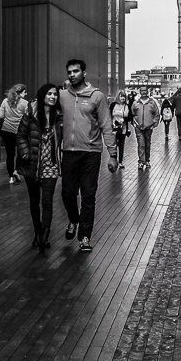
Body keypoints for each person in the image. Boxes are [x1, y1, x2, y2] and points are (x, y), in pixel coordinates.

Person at [59, 59, 118, 252]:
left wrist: (113, 154)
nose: (72, 74)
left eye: (76, 71)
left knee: (88, 196)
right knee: (67, 193)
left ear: (84, 73)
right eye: (69, 72)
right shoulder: (62, 96)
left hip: (91, 153)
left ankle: (84, 237)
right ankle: (73, 220)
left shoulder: (97, 96)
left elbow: (106, 125)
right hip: (69, 152)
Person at [17, 83, 63, 251]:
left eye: (55, 94)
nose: (53, 97)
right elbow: (21, 135)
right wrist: (25, 154)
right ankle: (37, 232)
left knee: (47, 201)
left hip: (50, 164)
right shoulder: (31, 112)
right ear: (43, 95)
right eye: (49, 94)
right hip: (32, 164)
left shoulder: (59, 115)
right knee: (34, 201)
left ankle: (45, 234)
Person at [0, 83, 28, 183]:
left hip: (6, 131)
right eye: (25, 92)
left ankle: (11, 176)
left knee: (10, 155)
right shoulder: (25, 103)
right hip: (19, 132)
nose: (26, 94)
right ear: (21, 93)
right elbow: (28, 118)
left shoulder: (5, 101)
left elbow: (1, 116)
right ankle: (16, 170)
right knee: (21, 153)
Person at [130, 87, 161, 169]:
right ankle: (141, 161)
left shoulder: (152, 103)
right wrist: (134, 123)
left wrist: (154, 123)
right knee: (141, 144)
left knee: (147, 144)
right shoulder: (136, 103)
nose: (144, 92)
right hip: (138, 127)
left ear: (147, 92)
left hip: (149, 127)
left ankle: (147, 160)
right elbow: (132, 114)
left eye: (145, 91)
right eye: (142, 91)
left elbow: (156, 114)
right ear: (140, 92)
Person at [109, 89, 131, 167]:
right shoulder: (113, 105)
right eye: (121, 97)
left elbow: (129, 117)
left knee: (121, 146)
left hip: (123, 129)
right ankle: (113, 160)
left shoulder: (127, 106)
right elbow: (109, 115)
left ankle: (120, 161)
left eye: (124, 97)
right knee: (114, 145)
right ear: (118, 97)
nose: (123, 99)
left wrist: (123, 118)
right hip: (113, 128)